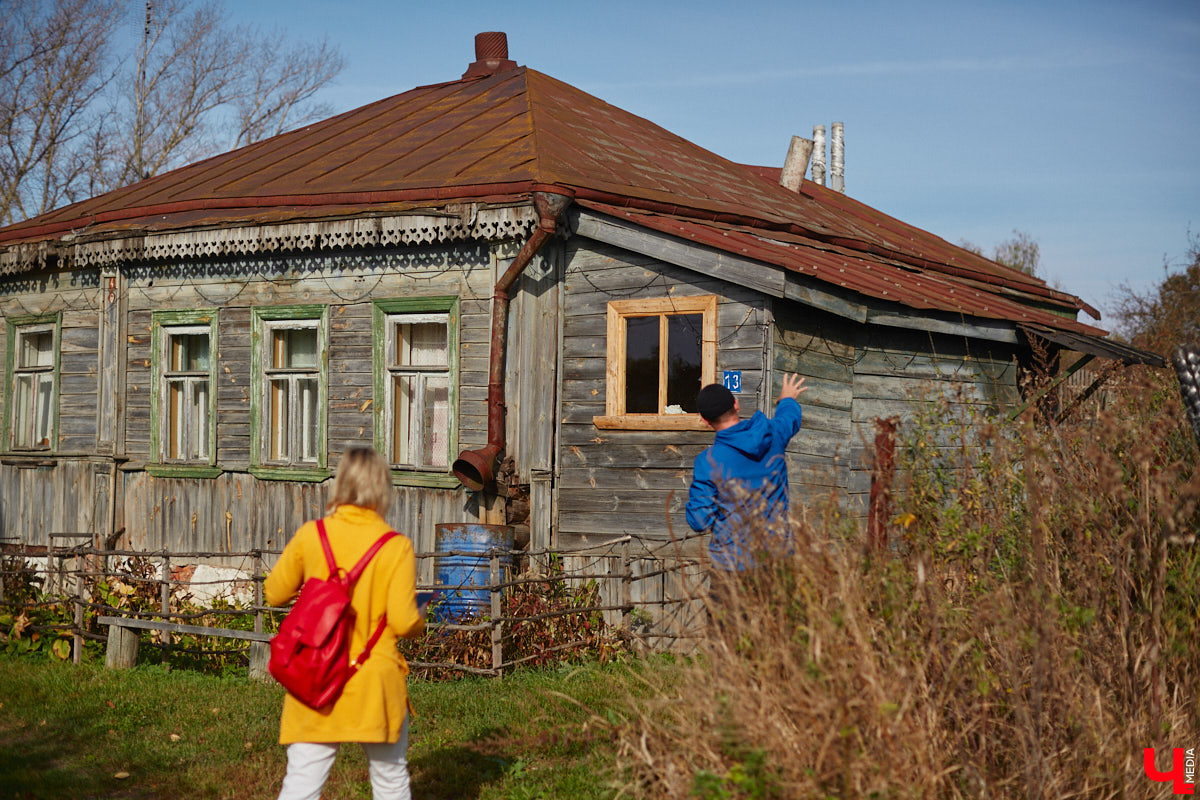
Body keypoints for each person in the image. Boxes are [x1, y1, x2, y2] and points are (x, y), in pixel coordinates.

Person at [265, 446, 425, 800]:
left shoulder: (312, 535)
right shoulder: (396, 546)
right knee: (390, 782)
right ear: (383, 489)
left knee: (302, 783)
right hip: (373, 681)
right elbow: (402, 621)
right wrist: (420, 619)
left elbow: (274, 593)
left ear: (340, 484)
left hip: (315, 676)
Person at [685, 373, 807, 571]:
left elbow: (700, 521)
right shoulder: (773, 434)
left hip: (731, 566)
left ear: (705, 421)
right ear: (736, 404)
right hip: (778, 560)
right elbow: (789, 418)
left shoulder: (707, 462)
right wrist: (786, 399)